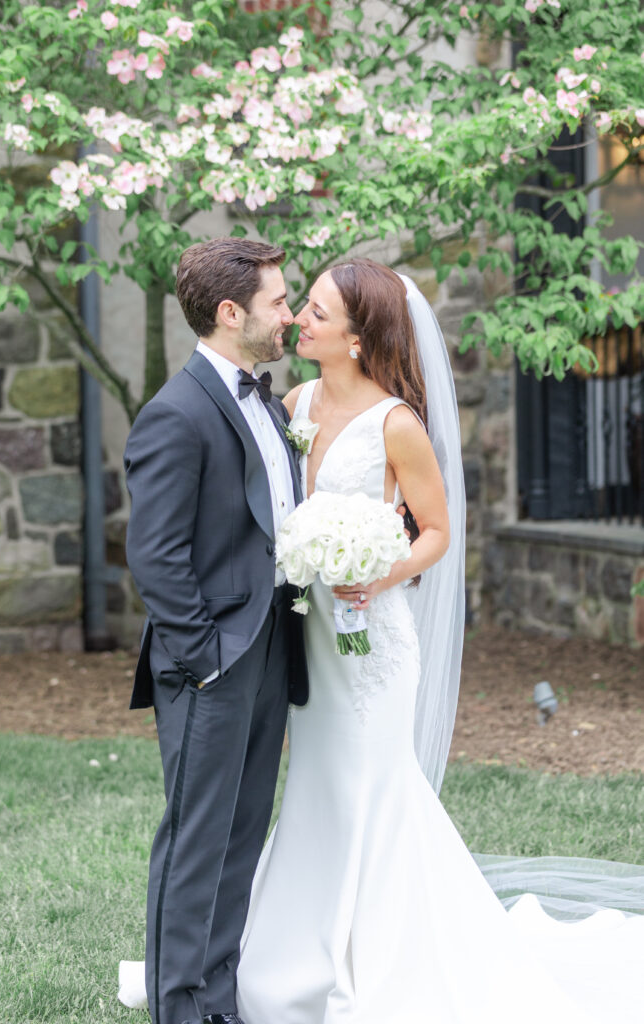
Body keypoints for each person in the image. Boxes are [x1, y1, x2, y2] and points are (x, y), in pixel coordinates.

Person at [234, 259, 644, 1024]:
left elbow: (437, 535)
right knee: (319, 786)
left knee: (372, 789)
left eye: (317, 313)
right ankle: (292, 954)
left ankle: (381, 963)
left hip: (373, 645)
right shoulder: (293, 401)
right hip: (313, 641)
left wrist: (378, 572)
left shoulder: (396, 423)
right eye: (304, 309)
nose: (300, 321)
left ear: (358, 338)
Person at [121, 237, 308, 1024]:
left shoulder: (264, 397)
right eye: (278, 301)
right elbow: (155, 557)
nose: (290, 313)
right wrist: (204, 657)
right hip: (213, 661)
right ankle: (178, 1008)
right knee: (197, 841)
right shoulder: (174, 414)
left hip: (270, 645)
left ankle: (217, 1000)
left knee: (240, 834)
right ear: (231, 313)